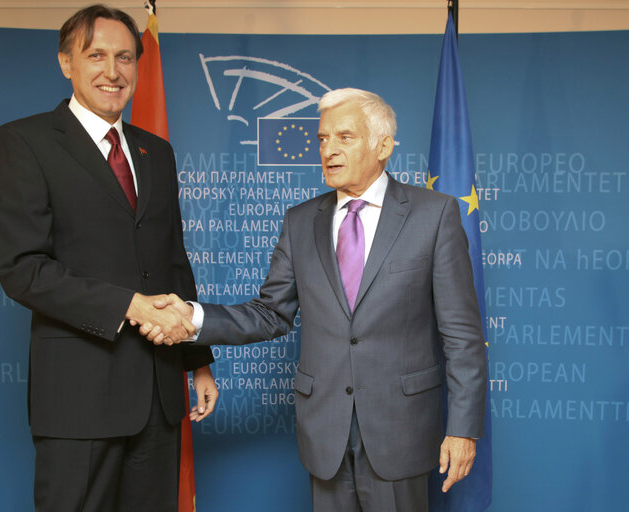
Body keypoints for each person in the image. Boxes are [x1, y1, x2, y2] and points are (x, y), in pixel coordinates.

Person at [146, 88, 487, 511]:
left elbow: (462, 335)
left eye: (345, 137)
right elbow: (270, 313)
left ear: (383, 146)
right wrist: (193, 319)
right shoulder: (301, 220)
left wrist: (463, 429)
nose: (328, 150)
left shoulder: (434, 214)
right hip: (325, 431)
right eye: (323, 139)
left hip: (401, 429)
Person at [0, 5, 217, 511]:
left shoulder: (156, 152)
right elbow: (22, 269)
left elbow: (173, 261)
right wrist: (130, 306)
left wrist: (197, 362)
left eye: (125, 57)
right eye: (96, 55)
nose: (112, 71)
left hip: (158, 395)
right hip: (77, 398)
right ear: (66, 63)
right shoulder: (23, 142)